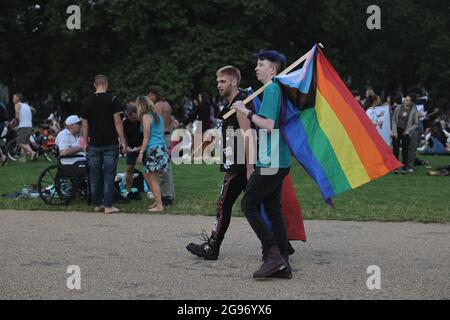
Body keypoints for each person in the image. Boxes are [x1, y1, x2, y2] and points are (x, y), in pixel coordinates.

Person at [232, 50, 292, 279]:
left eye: (261, 64)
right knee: (273, 210)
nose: (257, 68)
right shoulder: (276, 89)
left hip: (271, 160)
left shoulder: (271, 89)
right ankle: (282, 261)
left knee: (249, 204)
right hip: (279, 160)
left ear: (273, 70)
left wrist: (246, 111)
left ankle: (273, 255)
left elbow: (268, 125)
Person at [186, 65, 256, 261]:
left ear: (234, 82)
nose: (218, 85)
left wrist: (250, 167)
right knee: (259, 205)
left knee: (224, 205)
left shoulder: (239, 103)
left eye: (223, 81)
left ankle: (212, 246)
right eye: (217, 81)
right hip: (237, 162)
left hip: (239, 165)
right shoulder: (232, 103)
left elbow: (247, 135)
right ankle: (280, 244)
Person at [81, 74, 127, 214]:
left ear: (95, 85)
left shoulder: (86, 101)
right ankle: (108, 205)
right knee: (109, 174)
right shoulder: (112, 100)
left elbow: (84, 124)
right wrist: (123, 140)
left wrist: (85, 141)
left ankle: (97, 204)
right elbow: (117, 122)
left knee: (94, 175)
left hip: (94, 142)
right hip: (110, 142)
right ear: (106, 84)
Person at [136, 96, 169, 212]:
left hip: (153, 149)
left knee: (152, 179)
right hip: (161, 148)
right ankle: (157, 201)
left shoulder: (146, 117)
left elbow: (146, 137)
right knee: (153, 177)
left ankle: (159, 205)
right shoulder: (157, 116)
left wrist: (141, 153)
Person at [146, 86, 176, 205]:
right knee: (164, 167)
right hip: (168, 135)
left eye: (149, 95)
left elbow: (155, 124)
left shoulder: (156, 106)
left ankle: (168, 195)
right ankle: (164, 193)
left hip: (161, 137)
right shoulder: (166, 104)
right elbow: (172, 120)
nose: (148, 98)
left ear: (152, 94)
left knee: (165, 168)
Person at [391, 95, 419, 174]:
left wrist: (408, 130)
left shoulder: (413, 111)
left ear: (411, 102)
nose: (405, 101)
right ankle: (395, 167)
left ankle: (404, 167)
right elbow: (393, 120)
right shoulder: (398, 108)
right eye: (405, 100)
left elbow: (416, 123)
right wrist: (394, 131)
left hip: (406, 131)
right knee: (395, 150)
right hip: (397, 130)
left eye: (407, 100)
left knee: (405, 150)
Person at [123, 101, 143, 199]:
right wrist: (126, 146)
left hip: (143, 147)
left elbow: (147, 137)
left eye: (133, 117)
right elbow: (124, 136)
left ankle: (151, 191)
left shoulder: (142, 121)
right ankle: (128, 191)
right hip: (131, 149)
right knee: (129, 168)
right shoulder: (126, 123)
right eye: (129, 117)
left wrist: (140, 148)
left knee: (148, 170)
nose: (132, 119)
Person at [13, 94, 36, 162]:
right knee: (25, 142)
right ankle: (24, 158)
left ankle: (32, 152)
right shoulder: (26, 105)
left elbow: (17, 117)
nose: (13, 99)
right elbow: (34, 110)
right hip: (29, 125)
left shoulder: (17, 105)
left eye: (14, 98)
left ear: (17, 98)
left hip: (23, 126)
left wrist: (16, 121)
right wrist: (29, 116)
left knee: (20, 142)